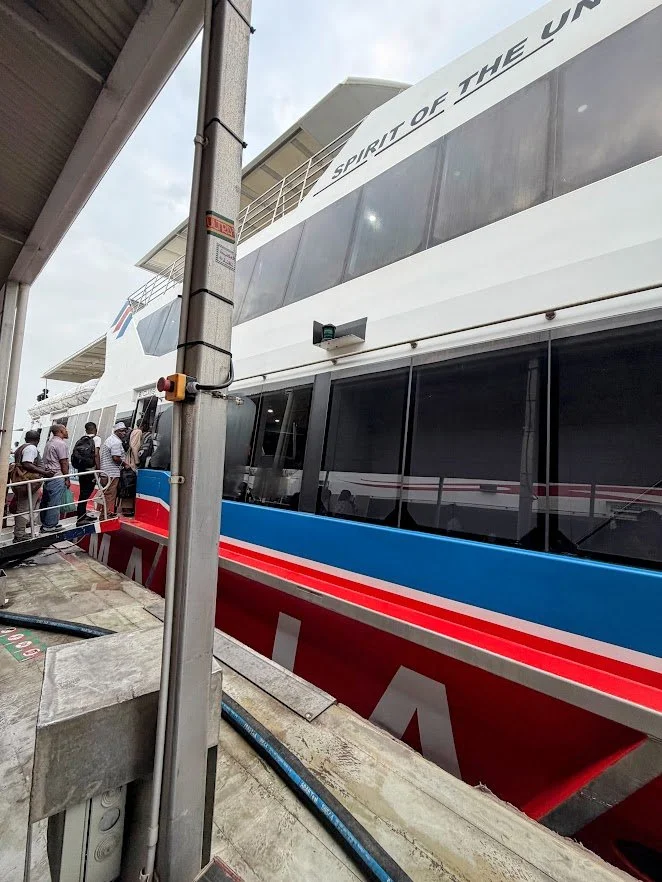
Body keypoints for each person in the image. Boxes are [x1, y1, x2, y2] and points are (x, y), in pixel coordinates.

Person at [11, 430, 53, 542]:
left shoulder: (21, 448)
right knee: (24, 508)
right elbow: (27, 464)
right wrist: (44, 473)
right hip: (28, 482)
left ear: (25, 439)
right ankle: (19, 534)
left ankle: (20, 532)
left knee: (24, 507)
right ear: (38, 440)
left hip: (23, 481)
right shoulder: (31, 448)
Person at [40, 423, 70, 532]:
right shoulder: (61, 444)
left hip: (48, 475)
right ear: (61, 431)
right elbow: (64, 462)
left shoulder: (49, 443)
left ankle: (46, 522)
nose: (67, 431)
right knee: (54, 501)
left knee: (46, 500)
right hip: (57, 476)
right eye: (65, 430)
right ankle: (50, 526)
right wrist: (67, 478)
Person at [72, 421, 101, 525]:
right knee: (86, 493)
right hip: (90, 471)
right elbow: (96, 455)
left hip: (81, 470)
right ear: (95, 429)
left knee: (83, 493)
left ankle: (82, 515)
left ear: (86, 430)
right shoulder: (96, 439)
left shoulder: (81, 440)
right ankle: (80, 518)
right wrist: (98, 469)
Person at [96, 422, 127, 517]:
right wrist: (125, 465)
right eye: (122, 431)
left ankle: (101, 512)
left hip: (105, 471)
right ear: (117, 431)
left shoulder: (110, 439)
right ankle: (107, 514)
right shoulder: (116, 442)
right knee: (110, 494)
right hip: (112, 472)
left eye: (125, 431)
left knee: (105, 493)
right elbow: (116, 458)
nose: (124, 433)